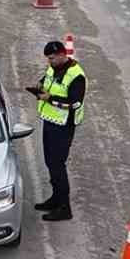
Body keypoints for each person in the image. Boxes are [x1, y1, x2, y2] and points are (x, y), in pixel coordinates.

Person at [25, 40, 86, 221]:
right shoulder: (53, 68)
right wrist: (39, 86)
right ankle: (55, 198)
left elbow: (75, 103)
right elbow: (48, 79)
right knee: (50, 163)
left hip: (64, 125)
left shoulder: (76, 76)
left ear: (61, 54)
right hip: (50, 122)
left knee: (58, 165)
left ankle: (64, 207)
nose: (49, 62)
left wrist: (49, 98)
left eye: (51, 58)